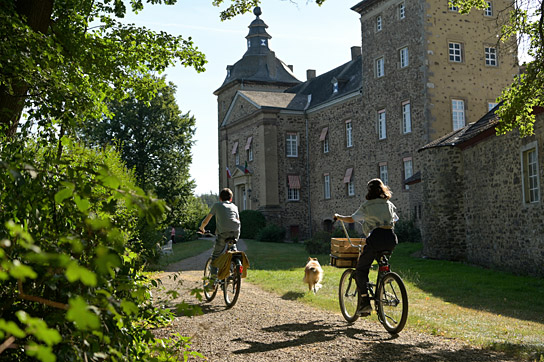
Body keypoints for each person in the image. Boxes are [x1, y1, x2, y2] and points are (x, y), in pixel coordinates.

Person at [334, 178, 398, 315]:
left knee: (361, 270)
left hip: (375, 238)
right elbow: (395, 220)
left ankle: (364, 303)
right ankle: (383, 283)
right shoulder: (389, 204)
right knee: (382, 261)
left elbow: (352, 219)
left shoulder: (367, 205)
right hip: (391, 238)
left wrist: (339, 217)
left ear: (369, 191)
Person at [199, 188, 241, 278]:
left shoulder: (217, 205)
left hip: (223, 233)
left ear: (220, 198)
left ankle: (212, 282)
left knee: (215, 257)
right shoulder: (234, 206)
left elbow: (206, 221)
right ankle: (235, 266)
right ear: (231, 199)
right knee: (232, 248)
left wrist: (202, 228)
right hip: (236, 231)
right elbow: (238, 220)